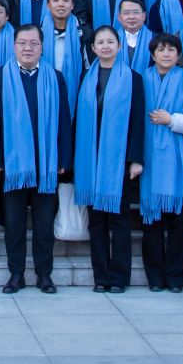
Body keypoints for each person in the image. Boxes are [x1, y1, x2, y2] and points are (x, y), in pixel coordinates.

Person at [0, 23, 71, 293]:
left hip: (46, 163)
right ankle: (16, 274)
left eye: (34, 43)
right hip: (13, 165)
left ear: (42, 47)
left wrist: (63, 159)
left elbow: (64, 120)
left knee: (44, 224)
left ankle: (44, 275)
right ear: (14, 46)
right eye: (22, 43)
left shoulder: (55, 77)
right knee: (14, 224)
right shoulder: (0, 77)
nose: (28, 48)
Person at [76, 25, 146, 292]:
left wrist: (136, 159)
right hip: (90, 158)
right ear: (93, 48)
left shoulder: (133, 78)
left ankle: (118, 278)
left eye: (110, 42)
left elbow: (138, 119)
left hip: (118, 160)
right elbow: (79, 117)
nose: (105, 46)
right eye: (100, 42)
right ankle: (101, 277)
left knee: (119, 221)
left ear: (119, 46)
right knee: (96, 222)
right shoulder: (86, 77)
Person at [140, 34, 183, 292]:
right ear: (153, 54)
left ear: (178, 55)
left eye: (171, 50)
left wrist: (171, 120)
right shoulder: (141, 82)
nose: (166, 54)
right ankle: (155, 278)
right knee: (152, 223)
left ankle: (176, 278)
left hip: (181, 163)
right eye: (161, 49)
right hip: (150, 162)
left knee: (180, 224)